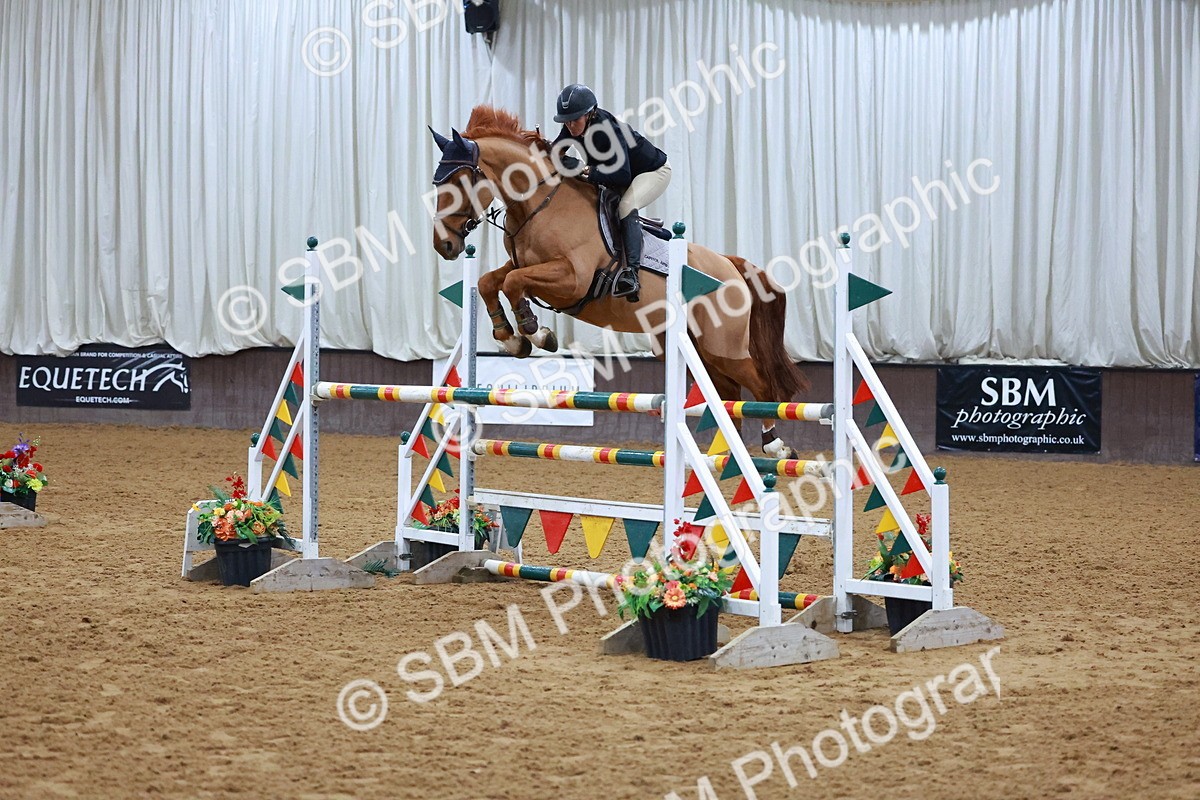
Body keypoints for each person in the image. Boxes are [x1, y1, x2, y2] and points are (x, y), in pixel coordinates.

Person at [550, 83, 671, 302]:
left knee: (626, 205)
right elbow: (555, 152)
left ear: (590, 114)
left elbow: (622, 176)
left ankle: (631, 274)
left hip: (652, 172)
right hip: (619, 173)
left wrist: (585, 169)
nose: (570, 126)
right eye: (566, 121)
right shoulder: (571, 123)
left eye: (574, 120)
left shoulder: (608, 130)